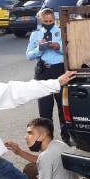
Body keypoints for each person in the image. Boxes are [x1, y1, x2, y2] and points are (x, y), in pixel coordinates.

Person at [26, 8, 69, 144]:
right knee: (45, 110)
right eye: (46, 21)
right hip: (43, 72)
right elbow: (28, 55)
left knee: (63, 108)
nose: (48, 23)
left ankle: (66, 139)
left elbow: (71, 50)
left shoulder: (61, 31)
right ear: (41, 20)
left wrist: (59, 47)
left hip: (59, 71)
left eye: (51, 21)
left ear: (54, 20)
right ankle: (46, 140)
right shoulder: (36, 34)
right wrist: (39, 49)